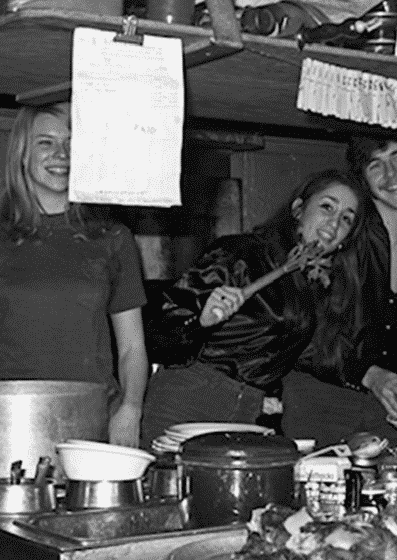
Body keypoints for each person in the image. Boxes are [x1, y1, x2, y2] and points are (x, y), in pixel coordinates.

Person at [0, 102, 149, 447]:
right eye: (46, 143)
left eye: (71, 143)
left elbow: (132, 348)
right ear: (22, 155)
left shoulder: (114, 239)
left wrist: (130, 410)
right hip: (6, 424)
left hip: (93, 419)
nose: (62, 154)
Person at [140, 169, 363, 448]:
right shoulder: (240, 254)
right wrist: (200, 322)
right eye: (327, 207)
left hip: (248, 413)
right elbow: (158, 333)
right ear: (298, 209)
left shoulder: (316, 283)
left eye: (346, 219)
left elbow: (315, 358)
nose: (334, 222)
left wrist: (375, 377)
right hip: (188, 400)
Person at [281, 135, 397, 447]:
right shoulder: (341, 234)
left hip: (394, 409)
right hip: (320, 400)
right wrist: (370, 375)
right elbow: (299, 331)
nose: (391, 175)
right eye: (376, 165)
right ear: (364, 180)